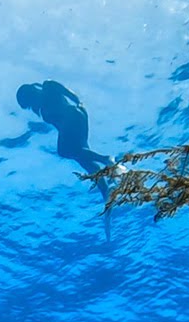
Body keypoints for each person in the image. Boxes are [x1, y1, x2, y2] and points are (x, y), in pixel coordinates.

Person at [16, 80, 115, 238]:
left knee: (64, 151)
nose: (31, 106)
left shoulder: (48, 86)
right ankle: (107, 196)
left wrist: (79, 103)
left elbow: (70, 94)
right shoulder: (42, 108)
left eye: (28, 103)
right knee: (83, 158)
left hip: (75, 115)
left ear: (31, 93)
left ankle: (106, 159)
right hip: (71, 126)